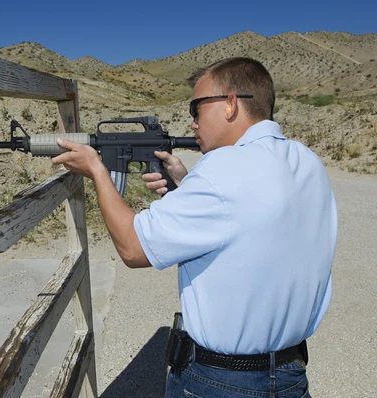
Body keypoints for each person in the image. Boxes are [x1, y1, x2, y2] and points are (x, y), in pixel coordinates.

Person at [51, 57, 337, 397]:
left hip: (220, 382)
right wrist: (187, 185)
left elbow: (133, 247)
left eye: (197, 107)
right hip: (291, 376)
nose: (192, 121)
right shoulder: (306, 161)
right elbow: (253, 222)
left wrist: (97, 171)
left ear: (230, 104)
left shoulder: (222, 169)